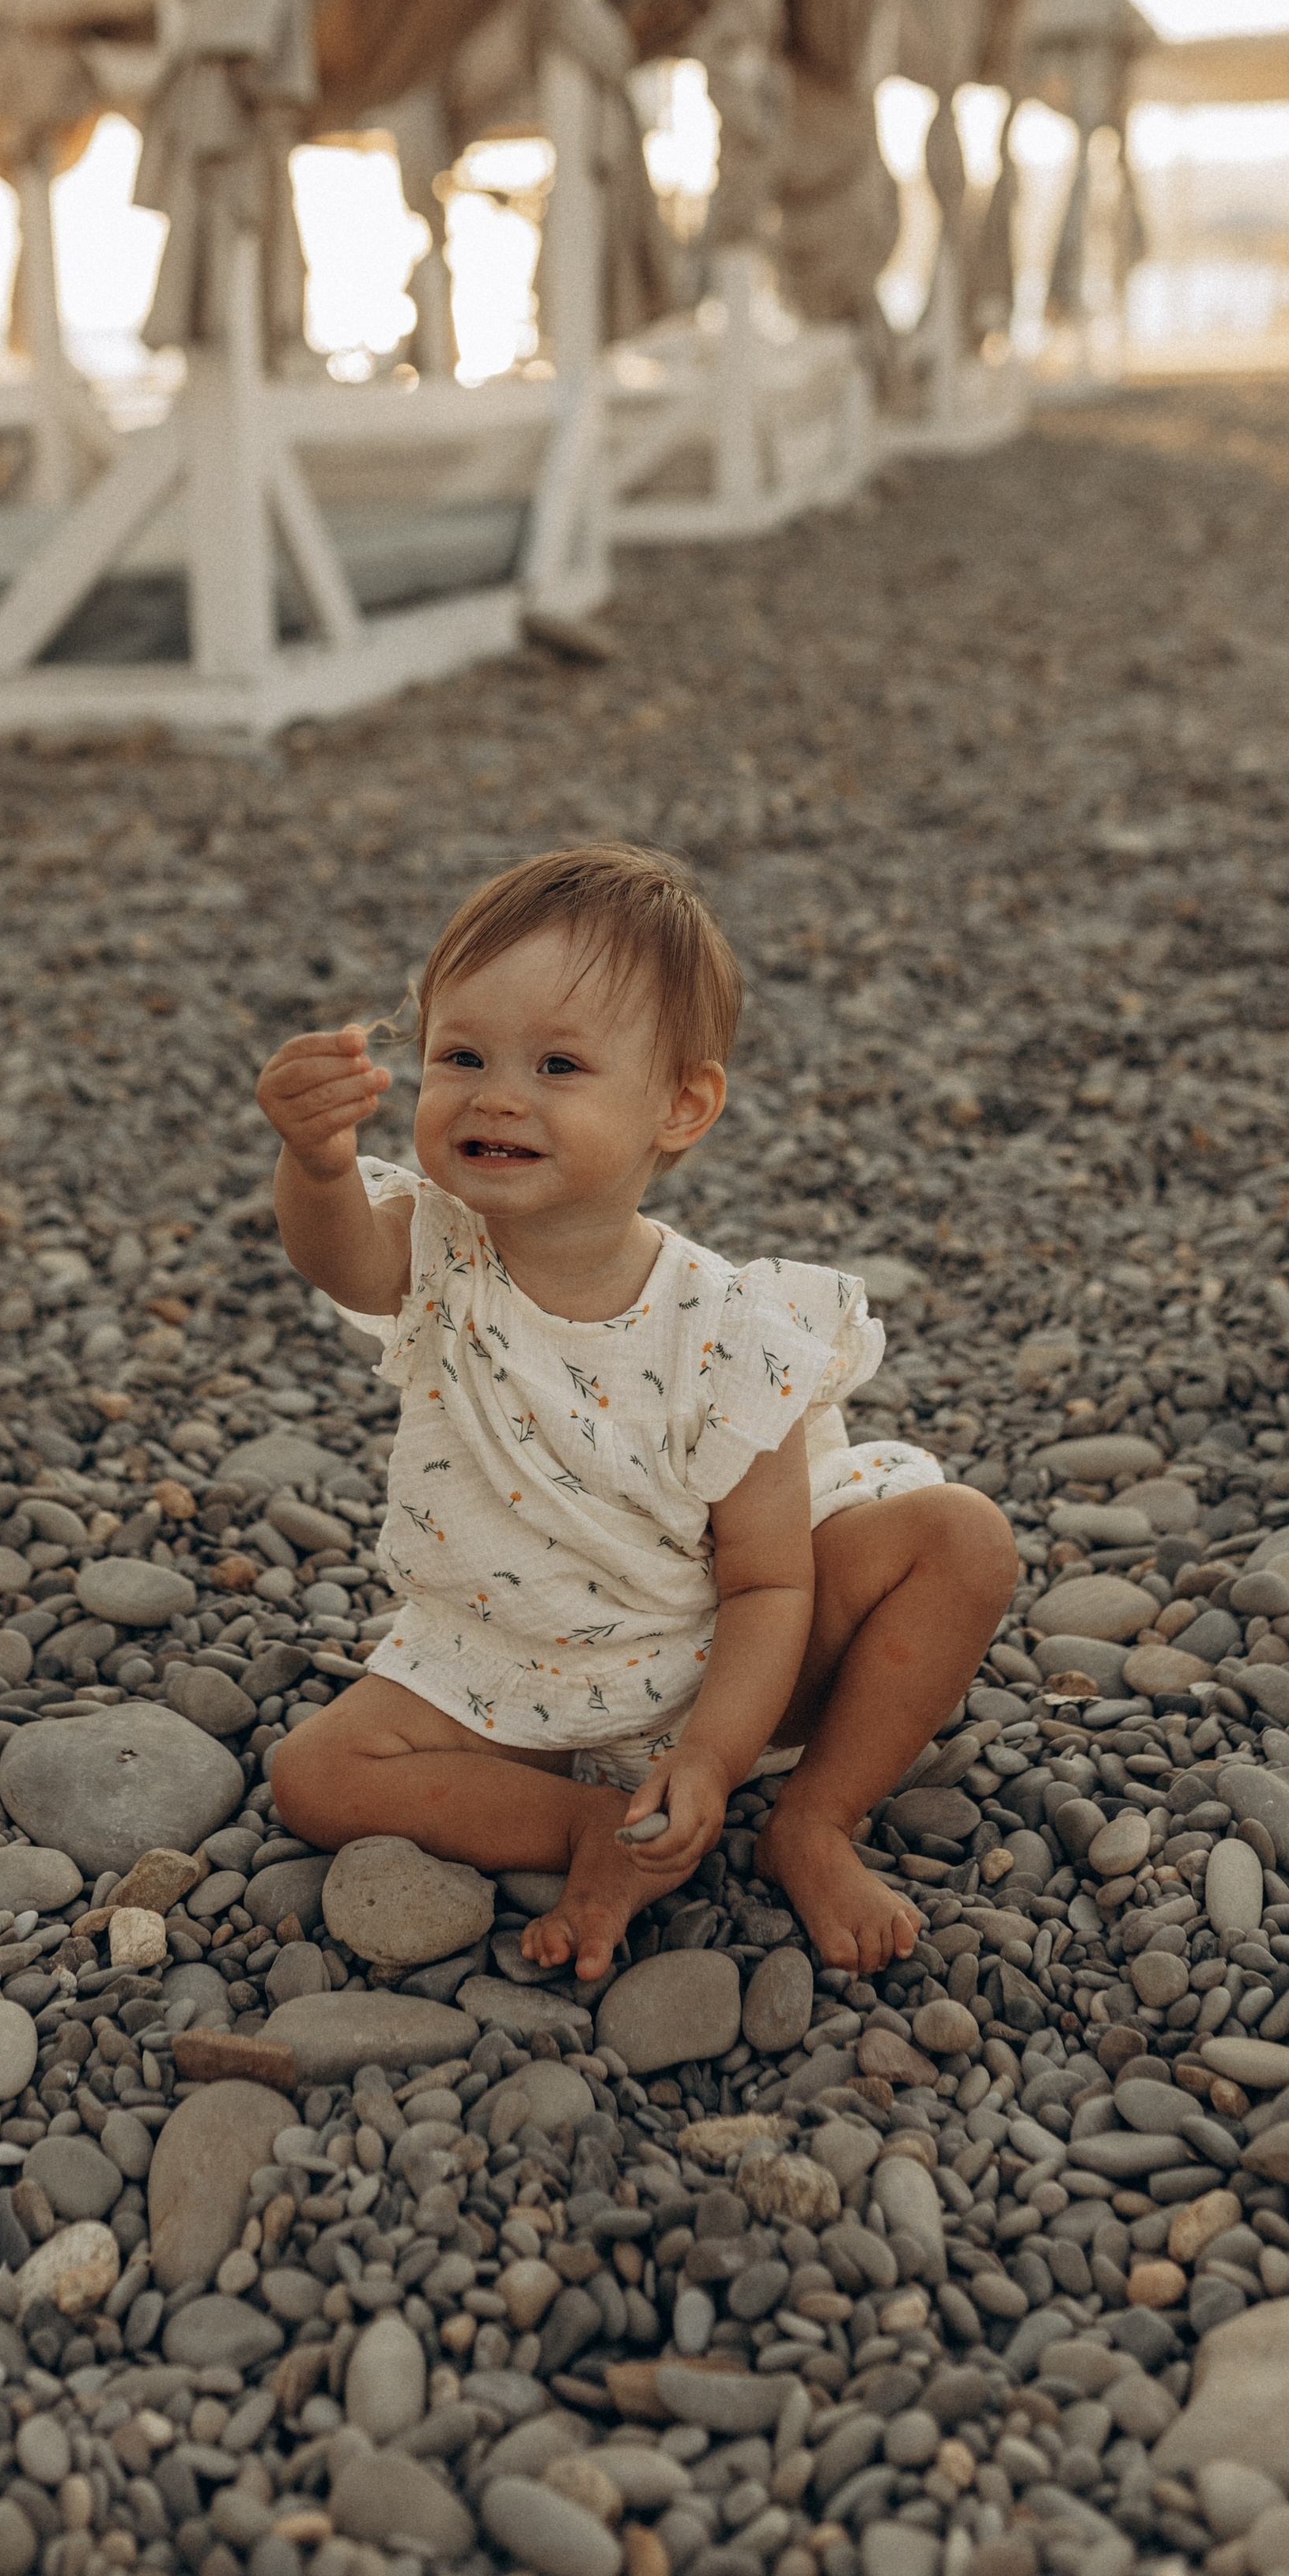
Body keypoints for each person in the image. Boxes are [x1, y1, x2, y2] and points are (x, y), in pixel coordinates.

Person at [258, 843, 1017, 1984]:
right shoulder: (436, 1255)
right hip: (508, 1662)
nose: (497, 1094)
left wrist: (713, 1756)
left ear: (682, 1104)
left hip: (726, 1661)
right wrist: (314, 1162)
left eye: (559, 1064)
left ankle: (812, 1822)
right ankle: (576, 1832)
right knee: (313, 1777)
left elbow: (770, 1582)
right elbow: (337, 1260)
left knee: (962, 1538)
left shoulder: (732, 1330)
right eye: (459, 1055)